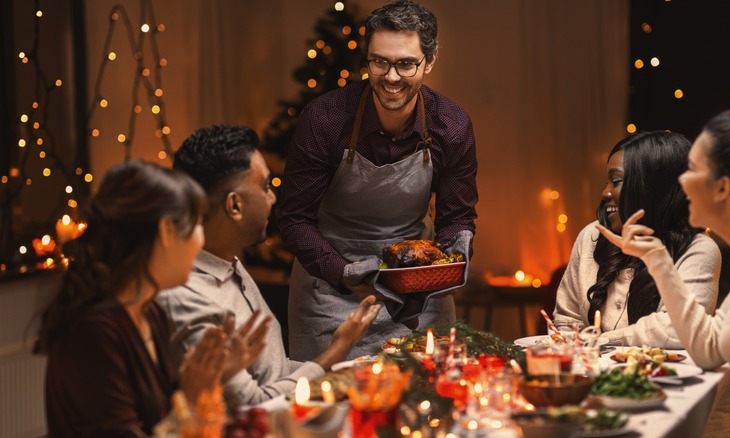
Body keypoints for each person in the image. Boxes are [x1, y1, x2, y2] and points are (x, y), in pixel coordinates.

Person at [279, 0, 478, 361]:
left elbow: (456, 219)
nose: (390, 77)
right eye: (379, 61)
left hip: (416, 295)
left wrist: (453, 254)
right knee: (328, 411)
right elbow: (294, 220)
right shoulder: (324, 119)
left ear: (430, 61)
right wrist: (347, 274)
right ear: (367, 58)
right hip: (329, 293)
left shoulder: (451, 125)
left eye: (405, 63)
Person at [37, 160, 269, 437]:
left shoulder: (150, 313)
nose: (200, 240)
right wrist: (192, 402)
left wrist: (212, 379)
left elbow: (158, 418)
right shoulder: (93, 333)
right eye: (196, 224)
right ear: (166, 231)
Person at [156, 125, 382, 407]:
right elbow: (251, 403)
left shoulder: (229, 263)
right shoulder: (188, 297)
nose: (273, 198)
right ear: (234, 205)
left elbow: (270, 374)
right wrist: (335, 352)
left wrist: (344, 370)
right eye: (265, 187)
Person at [599, 110, 730, 436]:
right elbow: (709, 349)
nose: (680, 181)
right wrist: (658, 260)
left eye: (693, 170)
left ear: (723, 188)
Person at [554, 131, 720, 347]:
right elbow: (567, 320)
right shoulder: (593, 236)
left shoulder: (698, 249)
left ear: (653, 188)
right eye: (607, 181)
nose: (605, 193)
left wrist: (601, 341)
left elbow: (679, 330)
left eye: (616, 181)